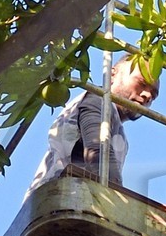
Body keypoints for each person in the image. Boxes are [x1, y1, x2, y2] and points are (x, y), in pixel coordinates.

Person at [32, 56, 158, 189]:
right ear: (112, 75)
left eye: (154, 95)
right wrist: (118, 200)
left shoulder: (112, 120)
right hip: (63, 198)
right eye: (142, 83)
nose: (148, 95)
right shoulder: (98, 101)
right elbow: (97, 151)